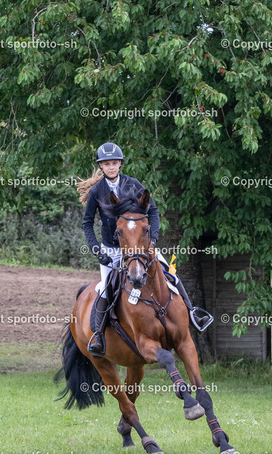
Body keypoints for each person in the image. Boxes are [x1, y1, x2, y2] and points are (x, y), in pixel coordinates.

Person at [79, 142, 212, 358]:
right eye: (107, 164)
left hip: (141, 247)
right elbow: (87, 223)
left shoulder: (133, 184)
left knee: (170, 274)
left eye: (114, 163)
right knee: (104, 288)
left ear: (120, 164)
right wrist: (96, 250)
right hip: (112, 249)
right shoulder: (96, 191)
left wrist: (154, 238)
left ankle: (194, 313)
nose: (111, 167)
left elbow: (154, 211)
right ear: (101, 166)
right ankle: (99, 335)